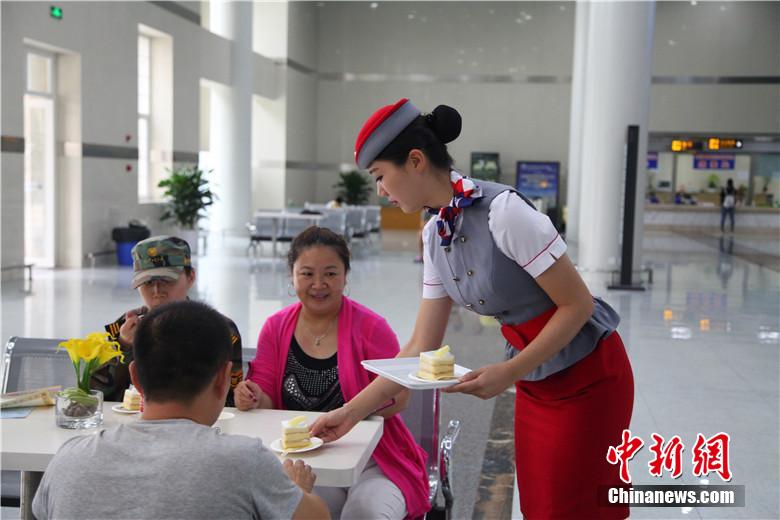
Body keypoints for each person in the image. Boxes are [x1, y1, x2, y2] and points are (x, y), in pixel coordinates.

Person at [311, 99, 635, 520]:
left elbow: (577, 305)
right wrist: (350, 413)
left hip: (588, 377)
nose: (381, 191)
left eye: (380, 177)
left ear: (414, 161)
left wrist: (509, 373)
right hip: (537, 380)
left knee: (578, 507)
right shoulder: (434, 236)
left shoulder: (505, 212)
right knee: (542, 505)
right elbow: (421, 345)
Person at [33, 300, 329, 520]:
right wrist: (297, 490)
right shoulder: (246, 462)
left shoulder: (68, 461)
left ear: (135, 377)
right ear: (223, 378)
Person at [234, 226, 429, 519]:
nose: (319, 284)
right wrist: (252, 396)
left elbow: (399, 399)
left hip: (375, 460)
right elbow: (267, 395)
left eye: (330, 273)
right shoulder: (276, 327)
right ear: (292, 275)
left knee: (365, 513)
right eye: (307, 274)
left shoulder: (371, 328)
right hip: (307, 461)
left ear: (346, 275)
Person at [92, 236, 243, 407]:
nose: (157, 291)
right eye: (147, 282)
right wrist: (124, 346)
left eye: (166, 280)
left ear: (191, 277)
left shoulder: (220, 329)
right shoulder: (123, 328)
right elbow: (96, 396)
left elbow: (231, 399)